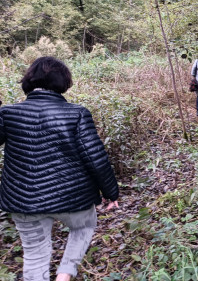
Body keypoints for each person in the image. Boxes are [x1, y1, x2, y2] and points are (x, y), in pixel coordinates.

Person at [0, 56, 119, 281]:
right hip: (72, 196)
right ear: (63, 81)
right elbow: (95, 157)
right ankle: (64, 276)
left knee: (34, 255)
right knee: (84, 226)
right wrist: (111, 192)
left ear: (29, 80)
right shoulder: (77, 113)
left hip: (24, 199)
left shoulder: (8, 114)